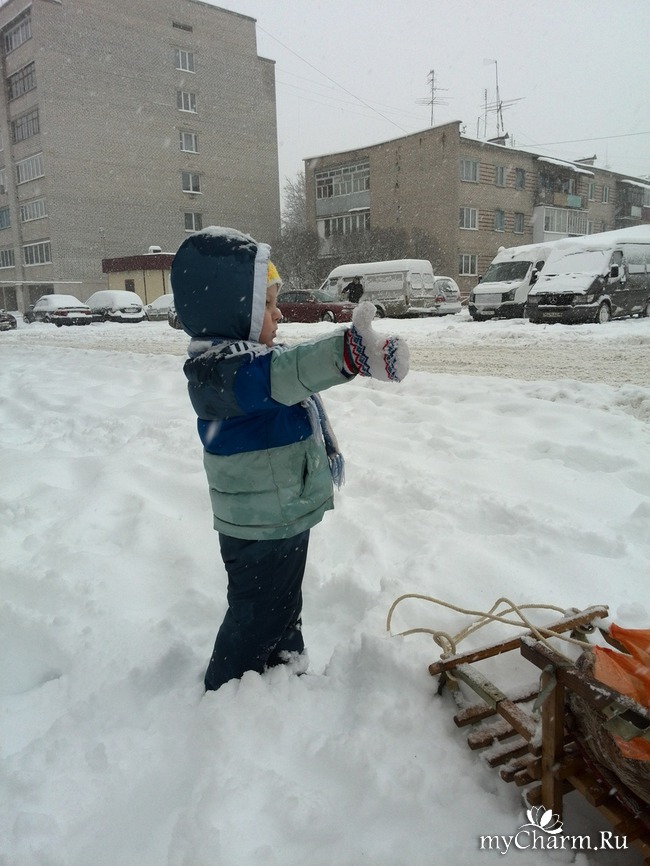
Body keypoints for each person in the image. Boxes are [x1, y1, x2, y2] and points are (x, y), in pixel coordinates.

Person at [171, 227, 409, 691]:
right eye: (266, 304)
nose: (278, 314)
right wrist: (348, 353)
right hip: (259, 524)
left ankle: (286, 669)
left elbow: (286, 366)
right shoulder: (224, 373)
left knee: (282, 604)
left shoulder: (250, 360)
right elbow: (289, 372)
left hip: (280, 514)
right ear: (229, 309)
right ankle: (226, 691)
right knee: (256, 613)